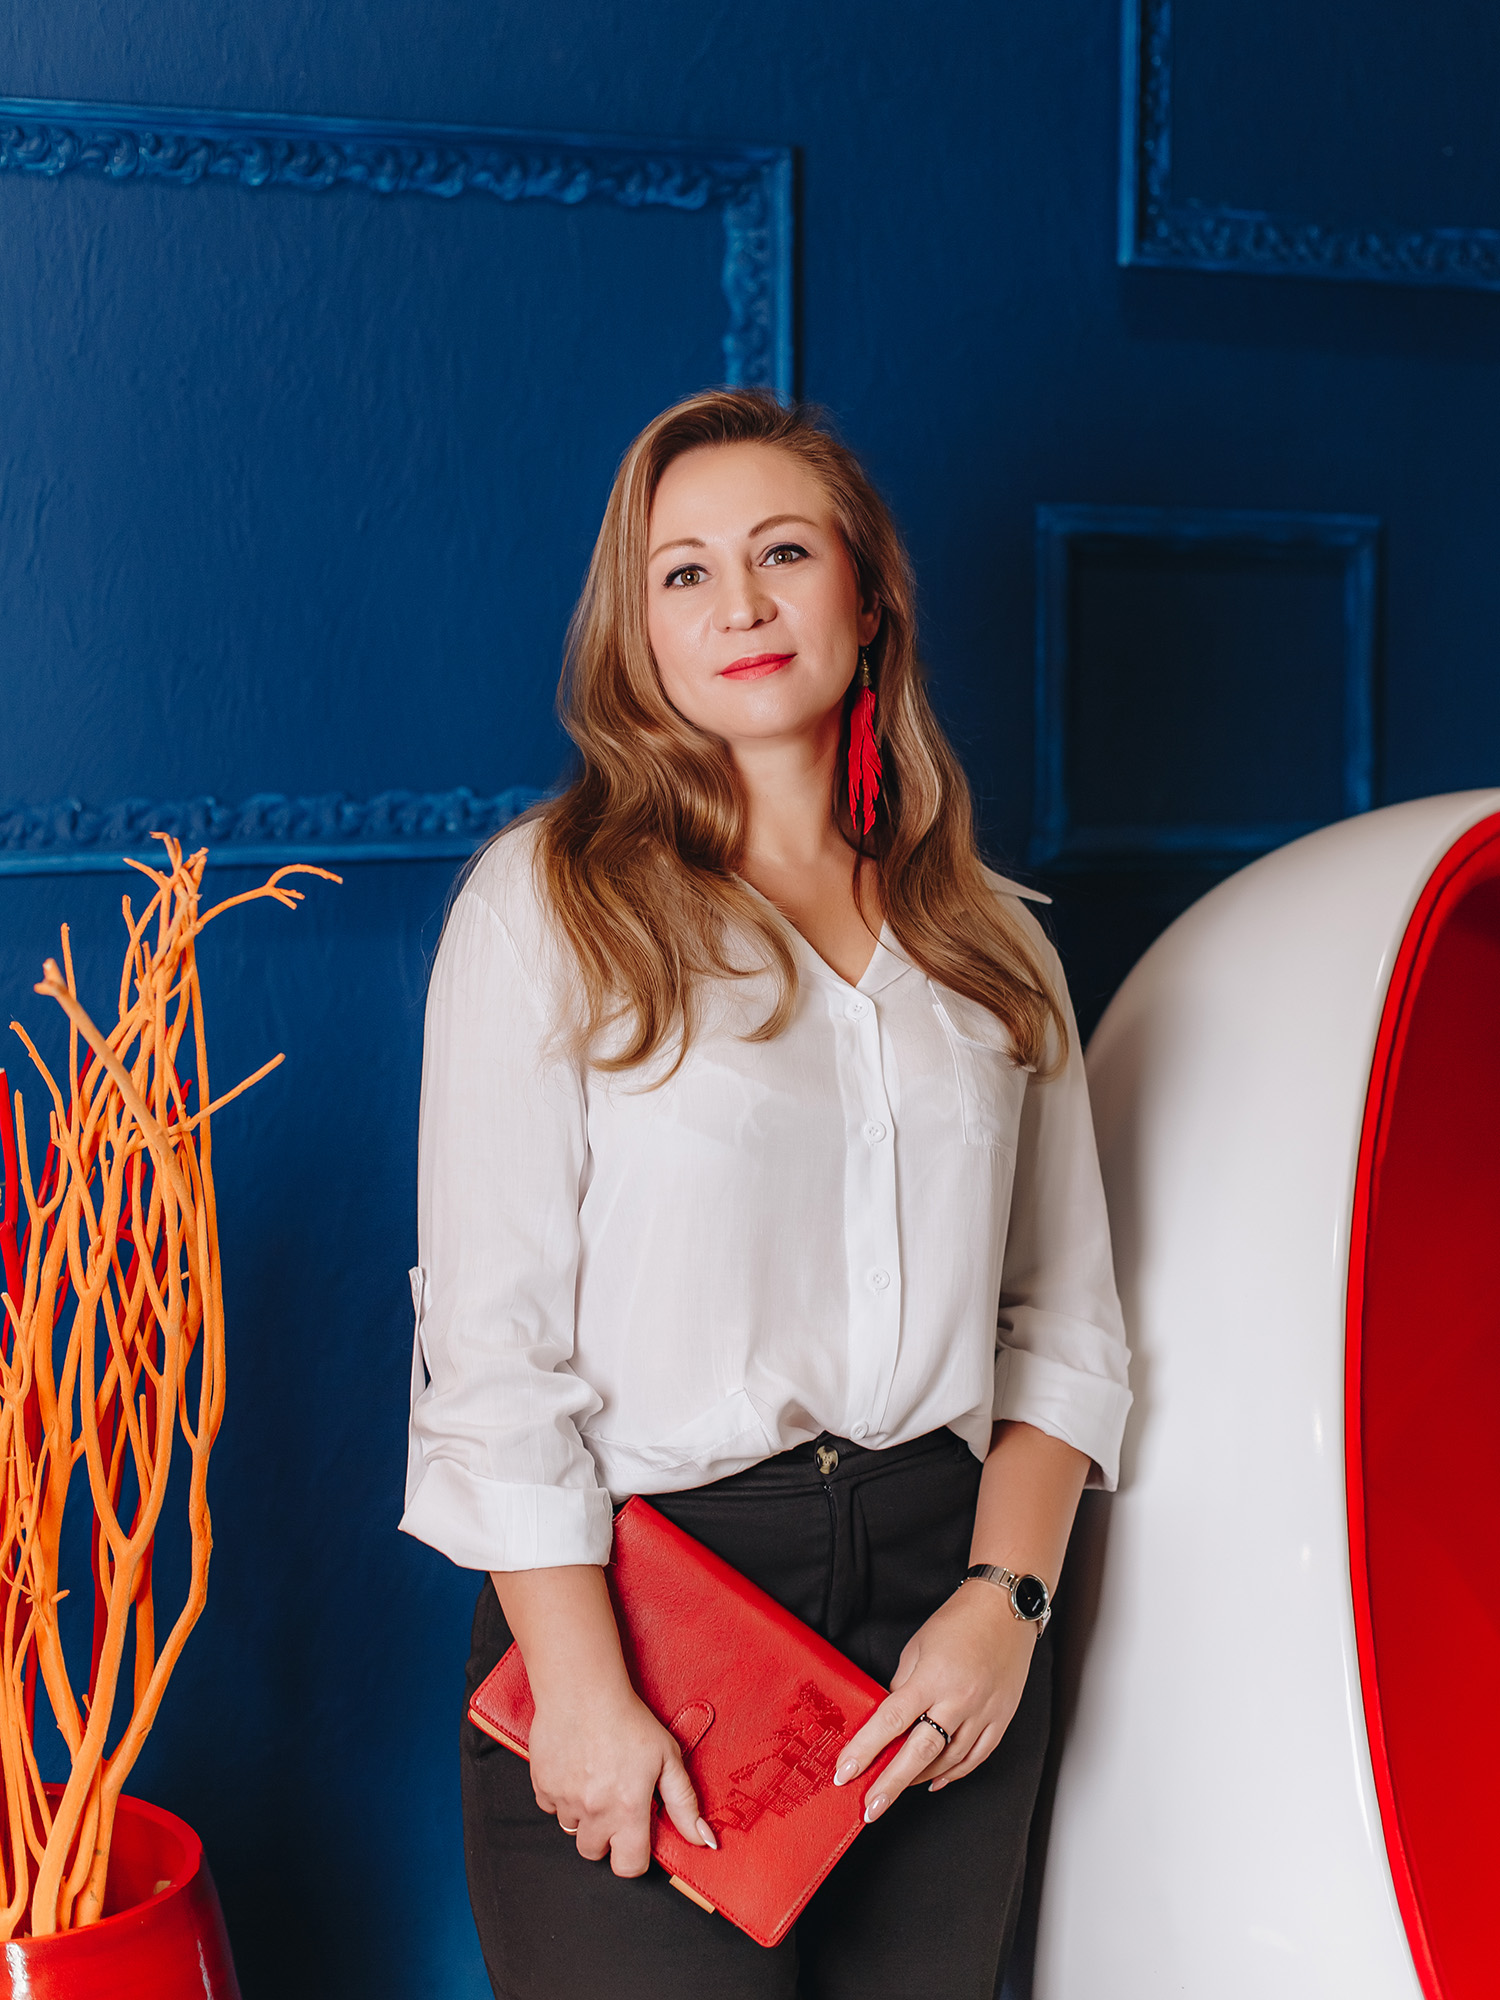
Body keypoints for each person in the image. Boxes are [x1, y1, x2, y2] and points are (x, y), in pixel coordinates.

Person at [400, 388, 1131, 2000]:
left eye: (784, 553)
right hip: (652, 1620)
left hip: (943, 1622)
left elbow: (1064, 1325)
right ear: (641, 631)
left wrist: (1005, 1605)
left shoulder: (995, 943)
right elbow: (492, 1348)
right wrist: (582, 1692)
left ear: (866, 601)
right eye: (685, 572)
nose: (738, 603)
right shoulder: (552, 906)